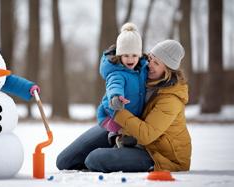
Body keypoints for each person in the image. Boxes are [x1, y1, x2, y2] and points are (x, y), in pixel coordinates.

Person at [56, 39, 191, 173]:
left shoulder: (171, 99)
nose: (149, 64)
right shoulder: (143, 72)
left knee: (94, 160)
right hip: (124, 128)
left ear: (168, 70)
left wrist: (116, 112)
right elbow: (119, 71)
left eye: (156, 63)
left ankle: (121, 153)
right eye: (150, 58)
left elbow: (146, 134)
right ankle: (119, 147)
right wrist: (120, 50)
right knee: (65, 160)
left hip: (158, 154)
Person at [96, 23, 148, 147]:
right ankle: (116, 138)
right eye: (126, 55)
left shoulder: (143, 69)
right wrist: (116, 97)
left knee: (132, 134)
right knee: (121, 130)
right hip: (112, 113)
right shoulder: (117, 72)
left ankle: (124, 138)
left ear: (139, 55)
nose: (130, 59)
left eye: (134, 55)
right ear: (119, 55)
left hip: (132, 115)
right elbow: (114, 85)